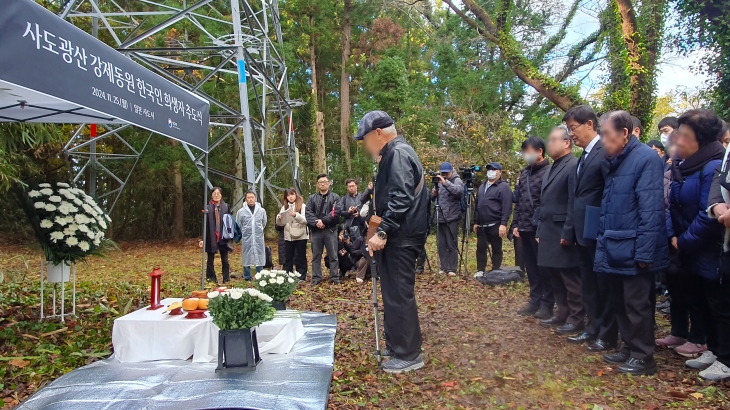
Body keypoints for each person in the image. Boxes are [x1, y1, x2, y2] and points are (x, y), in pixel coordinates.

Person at [594, 110, 669, 376]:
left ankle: (643, 355)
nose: (602, 140)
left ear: (624, 133)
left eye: (606, 134)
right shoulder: (615, 161)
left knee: (637, 304)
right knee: (619, 301)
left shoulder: (646, 158)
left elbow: (651, 209)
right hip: (615, 243)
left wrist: (645, 251)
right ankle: (628, 347)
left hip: (635, 246)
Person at [354, 110, 428, 373]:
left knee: (399, 294)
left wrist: (383, 231)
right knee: (392, 293)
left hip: (401, 236)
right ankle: (397, 344)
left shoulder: (398, 153)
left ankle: (409, 353)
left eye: (365, 139)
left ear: (378, 134)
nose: (365, 145)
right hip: (400, 235)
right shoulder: (394, 153)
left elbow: (400, 198)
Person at [664, 109, 724, 375]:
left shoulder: (714, 166)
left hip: (707, 247)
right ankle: (712, 348)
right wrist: (674, 236)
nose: (679, 141)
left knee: (718, 303)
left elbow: (708, 212)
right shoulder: (682, 166)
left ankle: (724, 356)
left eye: (685, 136)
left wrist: (685, 241)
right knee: (699, 300)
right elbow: (671, 204)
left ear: (700, 140)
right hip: (685, 245)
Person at [564, 105, 617, 350]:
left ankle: (607, 334)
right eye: (568, 129)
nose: (571, 134)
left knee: (603, 285)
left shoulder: (604, 152)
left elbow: (608, 192)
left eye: (573, 128)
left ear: (589, 125)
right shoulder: (583, 156)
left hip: (598, 231)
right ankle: (592, 328)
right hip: (582, 231)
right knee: (589, 284)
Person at [535, 126, 584, 335]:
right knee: (554, 275)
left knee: (570, 278)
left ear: (567, 143)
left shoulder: (573, 165)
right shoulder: (553, 167)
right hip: (547, 229)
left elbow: (574, 202)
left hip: (562, 230)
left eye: (554, 140)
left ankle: (576, 317)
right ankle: (562, 312)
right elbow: (544, 202)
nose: (550, 143)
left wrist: (568, 232)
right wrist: (539, 228)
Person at [512, 136, 553, 319]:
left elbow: (549, 203)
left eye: (528, 151)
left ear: (540, 151)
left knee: (544, 267)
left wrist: (544, 228)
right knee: (531, 267)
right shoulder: (524, 173)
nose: (525, 155)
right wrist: (515, 224)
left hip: (541, 228)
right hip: (525, 227)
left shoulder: (550, 172)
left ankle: (547, 303)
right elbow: (519, 201)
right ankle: (534, 300)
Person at [704, 131, 730, 381]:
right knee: (720, 303)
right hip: (724, 240)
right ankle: (722, 354)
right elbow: (717, 188)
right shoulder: (726, 157)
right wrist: (717, 207)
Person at [473, 162, 512, 274]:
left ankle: (496, 270)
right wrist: (476, 221)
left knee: (496, 249)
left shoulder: (503, 187)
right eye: (489, 169)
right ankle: (480, 270)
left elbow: (507, 207)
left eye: (494, 169)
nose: (491, 171)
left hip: (495, 223)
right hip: (481, 224)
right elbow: (477, 205)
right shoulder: (482, 186)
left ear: (499, 172)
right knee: (480, 248)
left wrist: (503, 224)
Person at [305, 173, 342, 285]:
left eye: (325, 182)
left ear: (329, 183)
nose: (323, 184)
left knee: (333, 255)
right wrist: (317, 223)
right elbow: (308, 213)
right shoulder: (312, 198)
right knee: (316, 256)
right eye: (320, 182)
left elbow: (336, 212)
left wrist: (323, 221)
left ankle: (334, 277)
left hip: (330, 230)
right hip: (316, 231)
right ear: (317, 184)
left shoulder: (335, 197)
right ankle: (316, 278)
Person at [431, 162, 464, 276]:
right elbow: (432, 197)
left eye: (446, 173)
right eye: (442, 173)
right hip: (440, 216)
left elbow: (459, 192)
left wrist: (445, 183)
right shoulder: (439, 181)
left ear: (451, 171)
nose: (444, 175)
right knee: (441, 244)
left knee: (451, 243)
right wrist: (434, 193)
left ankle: (452, 268)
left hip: (452, 217)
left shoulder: (456, 180)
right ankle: (444, 266)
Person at [199, 187, 232, 284]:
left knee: (225, 259)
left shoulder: (226, 206)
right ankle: (211, 278)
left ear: (221, 195)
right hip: (211, 236)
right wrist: (203, 238)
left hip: (223, 236)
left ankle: (226, 278)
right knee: (210, 259)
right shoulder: (207, 207)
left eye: (218, 193)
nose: (216, 195)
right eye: (214, 193)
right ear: (211, 195)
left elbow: (230, 221)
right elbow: (204, 225)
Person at [276, 188, 309, 281]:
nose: (290, 197)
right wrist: (279, 218)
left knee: (301, 256)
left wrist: (295, 215)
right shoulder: (284, 207)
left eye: (292, 194)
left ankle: (301, 277)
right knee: (288, 257)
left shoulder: (302, 206)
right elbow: (280, 224)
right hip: (288, 236)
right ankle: (288, 277)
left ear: (296, 195)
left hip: (301, 235)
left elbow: (305, 220)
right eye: (288, 195)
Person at [236, 190, 268, 281]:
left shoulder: (261, 211)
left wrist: (258, 230)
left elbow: (264, 222)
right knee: (246, 255)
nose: (250, 199)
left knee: (260, 254)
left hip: (258, 237)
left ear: (255, 198)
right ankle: (247, 276)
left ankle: (260, 275)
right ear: (245, 199)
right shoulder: (241, 211)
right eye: (248, 197)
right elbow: (239, 224)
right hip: (247, 237)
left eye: (252, 197)